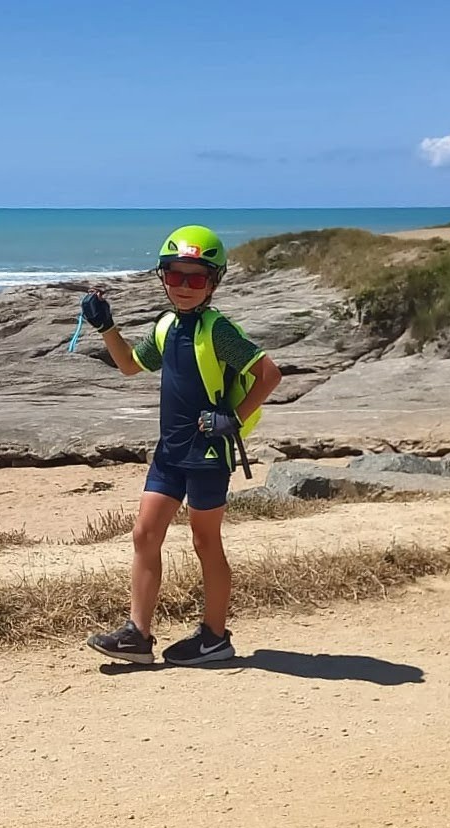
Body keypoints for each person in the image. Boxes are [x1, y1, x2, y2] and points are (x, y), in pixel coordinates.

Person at [78, 225, 282, 665]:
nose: (184, 287)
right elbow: (130, 365)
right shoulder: (167, 326)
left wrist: (233, 417)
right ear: (163, 277)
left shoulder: (218, 330)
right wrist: (106, 325)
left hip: (208, 453)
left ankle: (214, 637)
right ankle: (137, 635)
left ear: (213, 283)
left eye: (196, 278)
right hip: (169, 452)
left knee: (205, 542)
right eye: (174, 275)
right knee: (144, 534)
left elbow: (269, 374)